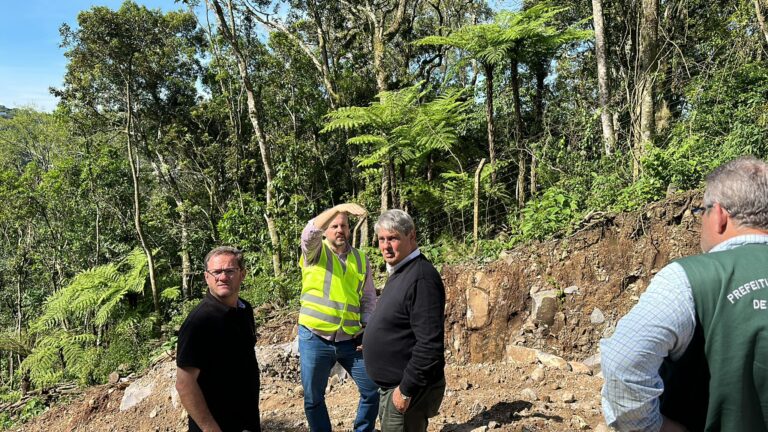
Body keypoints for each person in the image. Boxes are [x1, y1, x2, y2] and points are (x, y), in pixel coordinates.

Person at [601, 156, 768, 432]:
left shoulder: (688, 279)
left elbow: (623, 361)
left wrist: (656, 427)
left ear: (719, 216)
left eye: (701, 211)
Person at [298, 203, 379, 432]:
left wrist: (367, 328)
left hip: (350, 340)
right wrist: (339, 208)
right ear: (326, 230)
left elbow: (368, 298)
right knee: (313, 398)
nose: (339, 229)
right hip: (314, 337)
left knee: (372, 390)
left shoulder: (361, 259)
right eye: (334, 225)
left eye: (343, 225)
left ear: (349, 229)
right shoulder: (315, 252)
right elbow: (309, 232)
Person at [363, 209, 446, 432]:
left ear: (412, 237)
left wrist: (406, 389)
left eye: (393, 238)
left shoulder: (421, 278)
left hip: (406, 390)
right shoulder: (401, 271)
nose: (386, 246)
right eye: (382, 239)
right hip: (393, 387)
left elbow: (430, 346)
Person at [175, 246, 260, 432]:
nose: (222, 277)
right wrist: (209, 428)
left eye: (230, 271)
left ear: (242, 274)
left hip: (247, 420)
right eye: (216, 272)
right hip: (217, 425)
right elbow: (184, 383)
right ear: (207, 277)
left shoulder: (245, 309)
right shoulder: (199, 323)